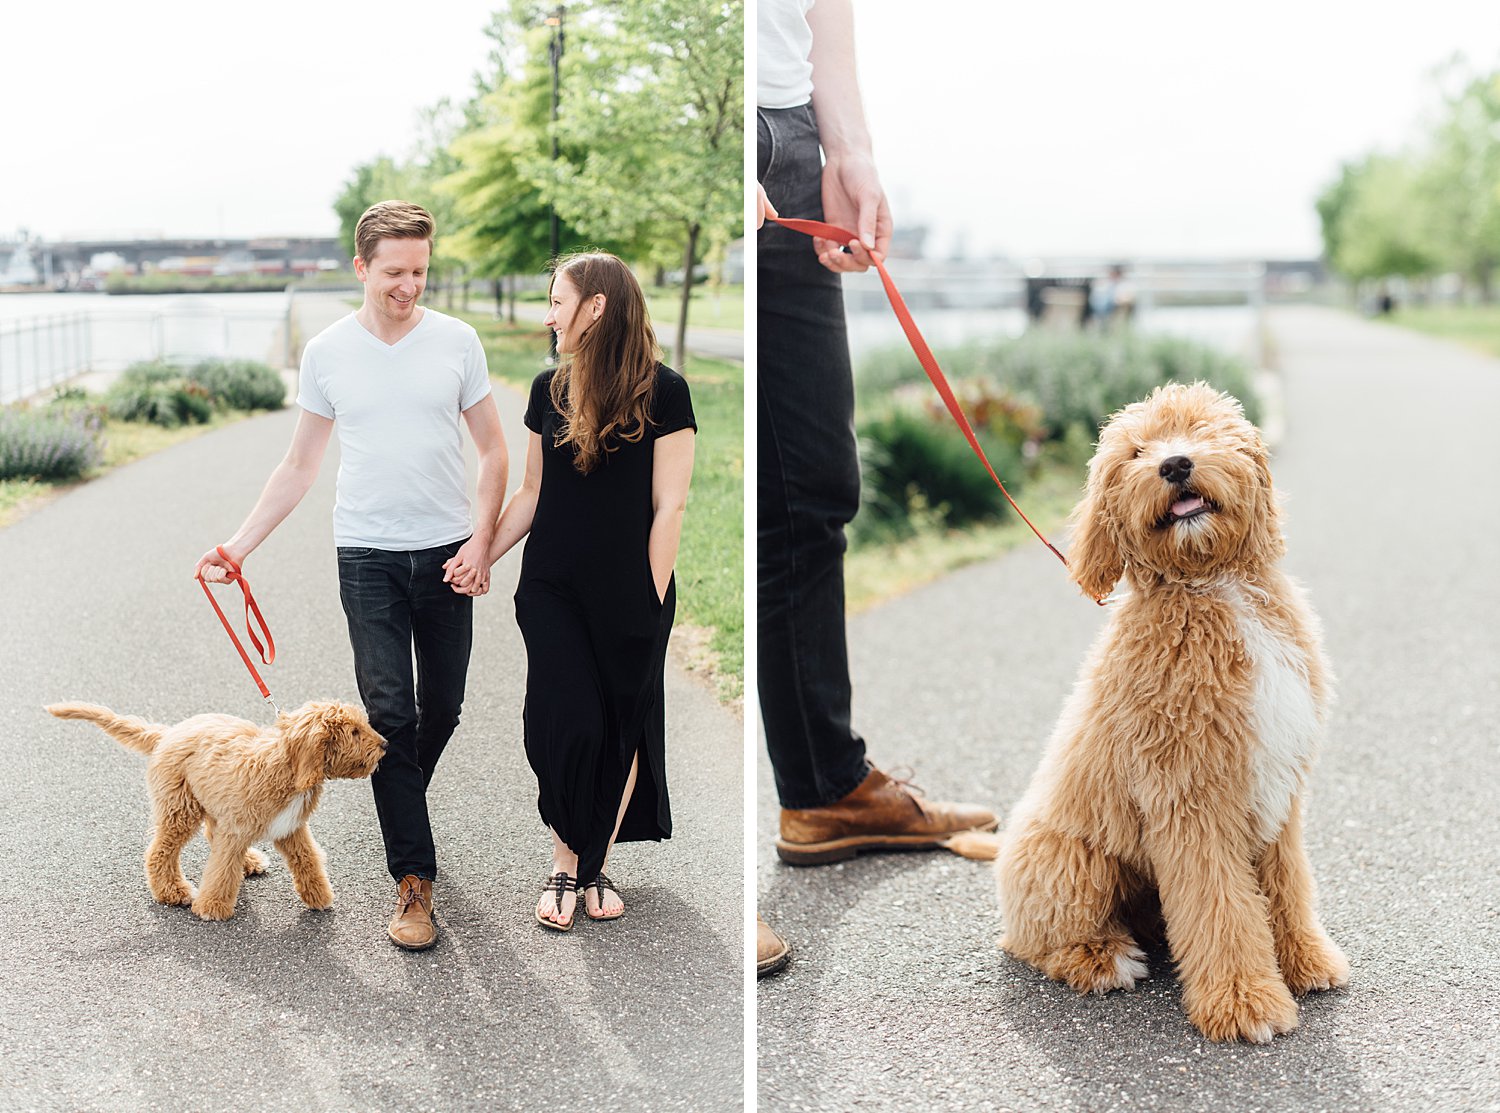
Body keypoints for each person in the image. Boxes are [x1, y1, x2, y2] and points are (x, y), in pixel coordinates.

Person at [756, 0, 999, 976]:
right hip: (726, 135)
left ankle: (824, 789)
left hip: (798, 139)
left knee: (816, 492)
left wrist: (848, 146)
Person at [194, 200, 508, 952]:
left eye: (421, 272)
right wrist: (238, 546)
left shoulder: (457, 342)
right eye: (395, 273)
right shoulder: (329, 352)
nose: (409, 287)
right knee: (390, 714)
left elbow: (495, 454)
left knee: (447, 705)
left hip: (447, 555)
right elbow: (300, 464)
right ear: (362, 267)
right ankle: (414, 882)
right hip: (365, 555)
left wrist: (483, 544)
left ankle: (402, 806)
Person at [448, 252, 695, 931]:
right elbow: (532, 493)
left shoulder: (666, 392)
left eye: (558, 300)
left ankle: (587, 866)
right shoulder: (546, 389)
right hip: (553, 588)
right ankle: (568, 857)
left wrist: (649, 597)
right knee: (564, 723)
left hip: (633, 592)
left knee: (622, 728)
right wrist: (482, 554)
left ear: (597, 307)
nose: (549, 313)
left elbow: (669, 506)